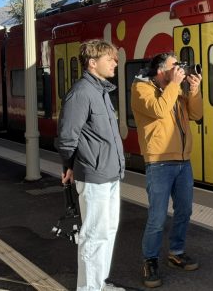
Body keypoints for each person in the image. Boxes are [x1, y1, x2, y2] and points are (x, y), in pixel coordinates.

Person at [55, 40, 125, 291]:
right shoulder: (82, 93)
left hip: (110, 173)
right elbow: (66, 136)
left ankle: (99, 283)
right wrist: (69, 165)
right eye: (110, 59)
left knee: (107, 231)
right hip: (95, 174)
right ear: (93, 63)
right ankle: (88, 288)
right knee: (94, 235)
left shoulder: (101, 91)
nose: (115, 63)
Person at [130, 52, 203, 288]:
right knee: (157, 217)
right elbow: (159, 110)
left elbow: (196, 114)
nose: (180, 70)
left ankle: (176, 252)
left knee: (184, 211)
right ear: (161, 70)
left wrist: (194, 90)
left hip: (183, 162)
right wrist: (174, 85)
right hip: (159, 163)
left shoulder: (175, 90)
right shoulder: (141, 89)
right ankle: (150, 260)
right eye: (175, 66)